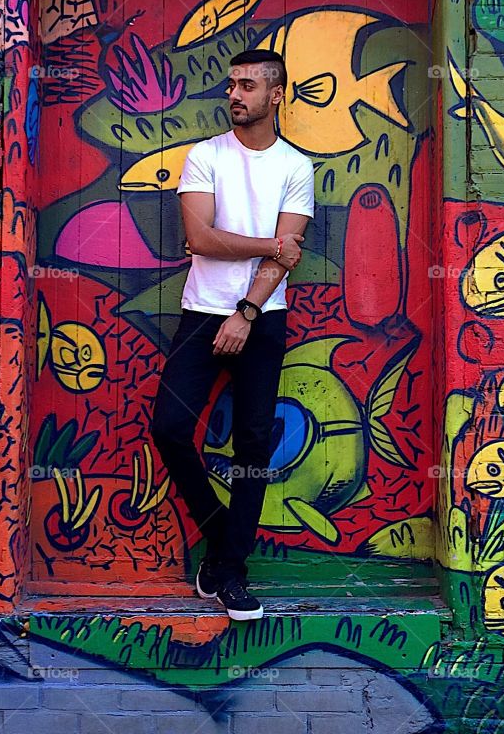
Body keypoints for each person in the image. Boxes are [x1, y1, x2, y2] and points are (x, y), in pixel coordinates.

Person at [151, 48, 315, 620]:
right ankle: (218, 532)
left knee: (251, 445)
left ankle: (232, 571)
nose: (234, 95)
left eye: (247, 85)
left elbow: (285, 259)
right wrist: (270, 245)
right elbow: (201, 239)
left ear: (276, 95)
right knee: (170, 428)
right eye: (231, 85)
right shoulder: (205, 157)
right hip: (201, 313)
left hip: (262, 317)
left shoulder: (296, 167)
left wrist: (245, 310)